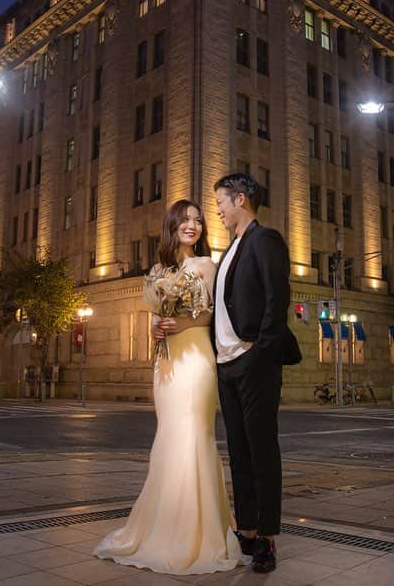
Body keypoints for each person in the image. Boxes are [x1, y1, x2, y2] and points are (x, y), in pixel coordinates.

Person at [93, 199, 244, 575]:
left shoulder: (208, 265)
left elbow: (214, 314)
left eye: (198, 220)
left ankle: (201, 531)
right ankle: (164, 526)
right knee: (170, 437)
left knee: (194, 435)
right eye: (185, 220)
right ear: (172, 226)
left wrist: (183, 324)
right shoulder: (160, 270)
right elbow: (158, 317)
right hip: (166, 362)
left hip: (196, 358)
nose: (192, 226)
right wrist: (156, 326)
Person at [211, 173, 301, 573]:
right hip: (226, 365)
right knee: (239, 452)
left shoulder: (265, 240)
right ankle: (246, 529)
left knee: (262, 450)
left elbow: (276, 296)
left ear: (241, 199)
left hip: (253, 360)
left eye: (221, 202)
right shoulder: (230, 249)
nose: (218, 209)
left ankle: (266, 537)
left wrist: (262, 350)